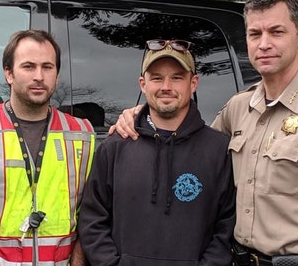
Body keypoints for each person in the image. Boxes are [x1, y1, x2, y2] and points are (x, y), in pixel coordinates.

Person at [112, 0, 298, 265]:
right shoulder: (238, 109)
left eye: (276, 32)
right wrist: (142, 115)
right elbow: (189, 147)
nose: (264, 43)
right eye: (255, 34)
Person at [0, 29, 95, 265]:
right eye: (28, 66)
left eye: (47, 67)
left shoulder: (81, 137)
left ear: (57, 74)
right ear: (9, 73)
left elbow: (89, 219)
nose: (39, 76)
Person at [78, 39, 235, 265]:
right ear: (143, 84)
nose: (166, 87)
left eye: (177, 77)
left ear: (193, 83)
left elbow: (226, 226)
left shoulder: (219, 150)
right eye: (157, 78)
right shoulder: (115, 147)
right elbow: (93, 220)